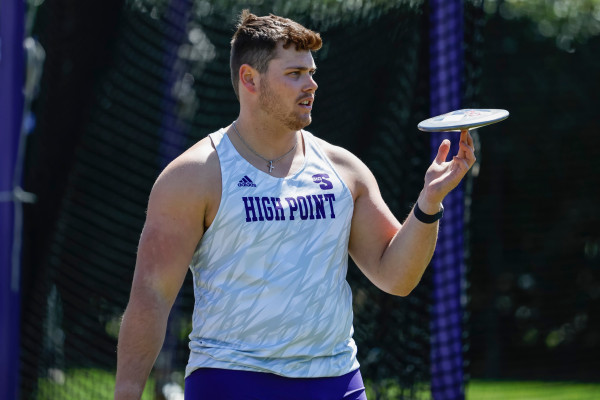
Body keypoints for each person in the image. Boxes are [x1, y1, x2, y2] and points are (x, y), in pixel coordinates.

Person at [114, 10, 476, 400]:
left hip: (336, 382)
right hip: (232, 380)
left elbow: (397, 278)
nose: (311, 84)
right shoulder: (194, 175)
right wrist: (127, 392)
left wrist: (428, 202)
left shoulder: (344, 169)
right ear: (249, 79)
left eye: (311, 72)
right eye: (294, 74)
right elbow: (151, 295)